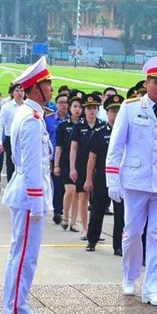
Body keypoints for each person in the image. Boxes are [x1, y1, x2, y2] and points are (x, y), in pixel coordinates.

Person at [106, 57, 157, 307]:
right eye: (156, 82)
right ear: (147, 82)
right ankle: (130, 276)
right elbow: (116, 147)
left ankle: (152, 287)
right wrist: (113, 180)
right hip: (135, 180)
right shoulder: (130, 109)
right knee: (132, 232)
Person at [0, 57, 55, 314]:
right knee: (25, 256)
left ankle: (17, 306)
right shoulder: (32, 119)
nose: (52, 89)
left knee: (21, 253)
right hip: (28, 194)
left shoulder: (29, 113)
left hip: (26, 192)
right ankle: (17, 310)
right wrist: (38, 203)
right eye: (48, 84)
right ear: (36, 88)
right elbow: (33, 166)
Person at [85, 94, 123, 254]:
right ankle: (92, 240)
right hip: (102, 178)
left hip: (121, 178)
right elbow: (92, 158)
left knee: (121, 214)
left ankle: (118, 245)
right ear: (107, 113)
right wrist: (88, 179)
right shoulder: (100, 133)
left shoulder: (127, 133)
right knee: (97, 210)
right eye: (112, 111)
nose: (115, 115)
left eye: (118, 111)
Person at [70, 92, 106, 240]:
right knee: (83, 197)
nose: (92, 110)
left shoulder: (102, 125)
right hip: (81, 165)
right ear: (85, 110)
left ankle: (95, 230)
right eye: (89, 108)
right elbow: (73, 148)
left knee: (97, 201)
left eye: (94, 108)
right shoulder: (79, 127)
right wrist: (72, 167)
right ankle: (85, 228)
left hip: (98, 167)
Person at [54, 92, 83, 232]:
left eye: (80, 107)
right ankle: (65, 216)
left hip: (81, 162)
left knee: (78, 193)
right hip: (66, 161)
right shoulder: (63, 126)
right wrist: (56, 165)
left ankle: (73, 221)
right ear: (70, 108)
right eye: (75, 106)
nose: (78, 109)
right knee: (70, 191)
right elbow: (58, 147)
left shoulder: (85, 126)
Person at [45, 93, 69, 224]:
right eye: (61, 103)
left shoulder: (73, 120)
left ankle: (66, 211)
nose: (64, 105)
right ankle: (57, 211)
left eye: (66, 102)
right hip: (54, 157)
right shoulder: (49, 119)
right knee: (57, 186)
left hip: (70, 157)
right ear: (56, 104)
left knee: (68, 187)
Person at [0, 83, 25, 184]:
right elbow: (0, 124)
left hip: (24, 139)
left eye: (21, 91)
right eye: (17, 91)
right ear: (12, 93)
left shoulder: (27, 106)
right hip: (10, 138)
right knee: (11, 163)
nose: (19, 93)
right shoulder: (7, 107)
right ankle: (11, 185)